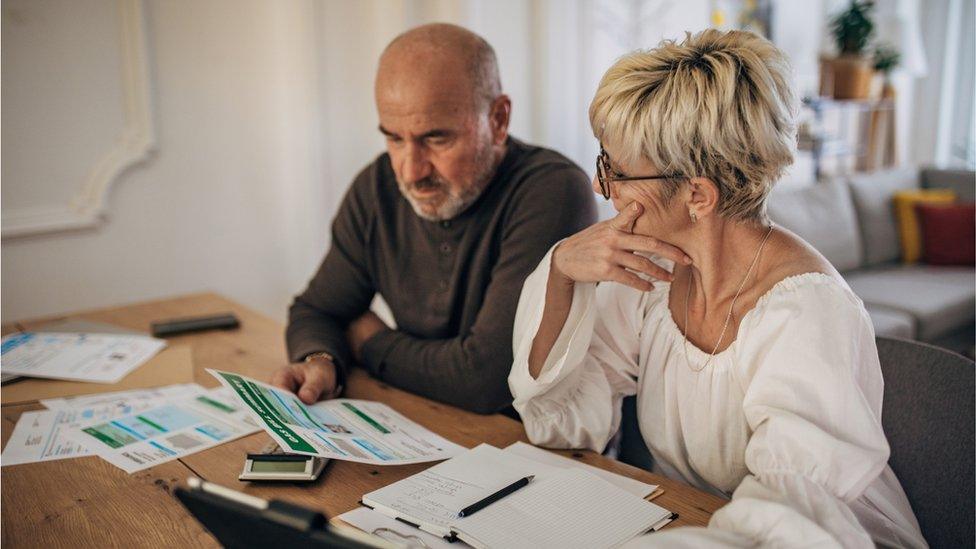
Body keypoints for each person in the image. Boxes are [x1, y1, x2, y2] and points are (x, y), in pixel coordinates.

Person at [509, 29, 925, 547]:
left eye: (615, 170)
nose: (600, 187)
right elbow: (562, 427)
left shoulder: (807, 313)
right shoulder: (650, 274)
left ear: (698, 195)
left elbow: (790, 519)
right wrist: (561, 272)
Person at [273, 23, 596, 414]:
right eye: (394, 138)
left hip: (536, 448)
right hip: (426, 425)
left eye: (436, 139)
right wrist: (321, 359)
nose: (410, 172)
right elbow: (318, 310)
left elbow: (487, 380)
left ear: (498, 120)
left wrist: (368, 342)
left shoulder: (553, 191)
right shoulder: (377, 186)